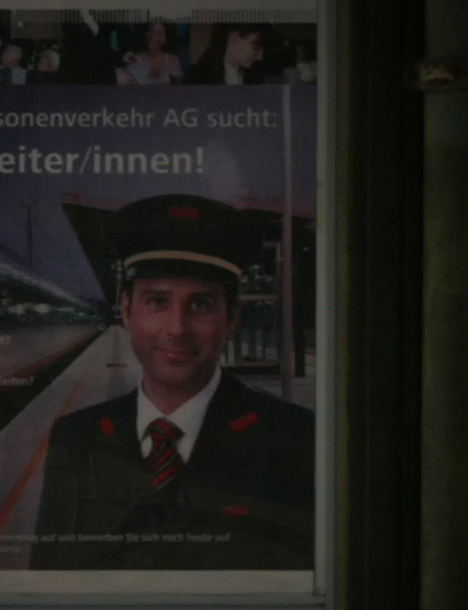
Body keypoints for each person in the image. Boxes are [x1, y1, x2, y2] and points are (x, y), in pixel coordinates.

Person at [31, 194, 313, 571]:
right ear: (127, 312)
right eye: (158, 302)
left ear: (231, 319)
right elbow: (52, 580)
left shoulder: (296, 439)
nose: (177, 329)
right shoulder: (75, 437)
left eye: (200, 305)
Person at [187, 23, 269, 85]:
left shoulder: (257, 77)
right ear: (234, 38)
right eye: (256, 48)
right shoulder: (198, 76)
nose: (260, 57)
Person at [117, 19, 183, 85]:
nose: (152, 36)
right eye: (150, 31)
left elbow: (179, 88)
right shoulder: (135, 59)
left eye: (159, 33)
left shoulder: (173, 60)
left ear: (166, 38)